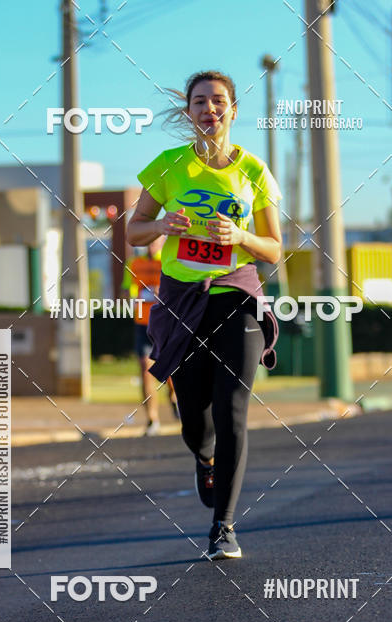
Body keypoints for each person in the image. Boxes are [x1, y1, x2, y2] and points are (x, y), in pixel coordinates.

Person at [126, 70, 281, 559]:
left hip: (236, 294)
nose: (209, 109)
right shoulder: (169, 166)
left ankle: (224, 527)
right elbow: (133, 232)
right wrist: (161, 224)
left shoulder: (254, 171)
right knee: (193, 414)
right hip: (182, 299)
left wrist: (241, 238)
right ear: (189, 112)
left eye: (218, 101)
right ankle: (204, 455)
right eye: (199, 102)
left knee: (233, 407)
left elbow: (275, 248)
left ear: (233, 110)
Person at [122, 239, 179, 436]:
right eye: (148, 241)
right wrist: (134, 297)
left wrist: (162, 294)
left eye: (155, 242)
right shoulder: (134, 263)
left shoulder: (169, 261)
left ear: (163, 242)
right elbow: (127, 289)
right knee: (145, 369)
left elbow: (179, 292)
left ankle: (173, 395)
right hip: (142, 323)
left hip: (164, 323)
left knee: (169, 370)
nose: (150, 245)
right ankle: (152, 420)